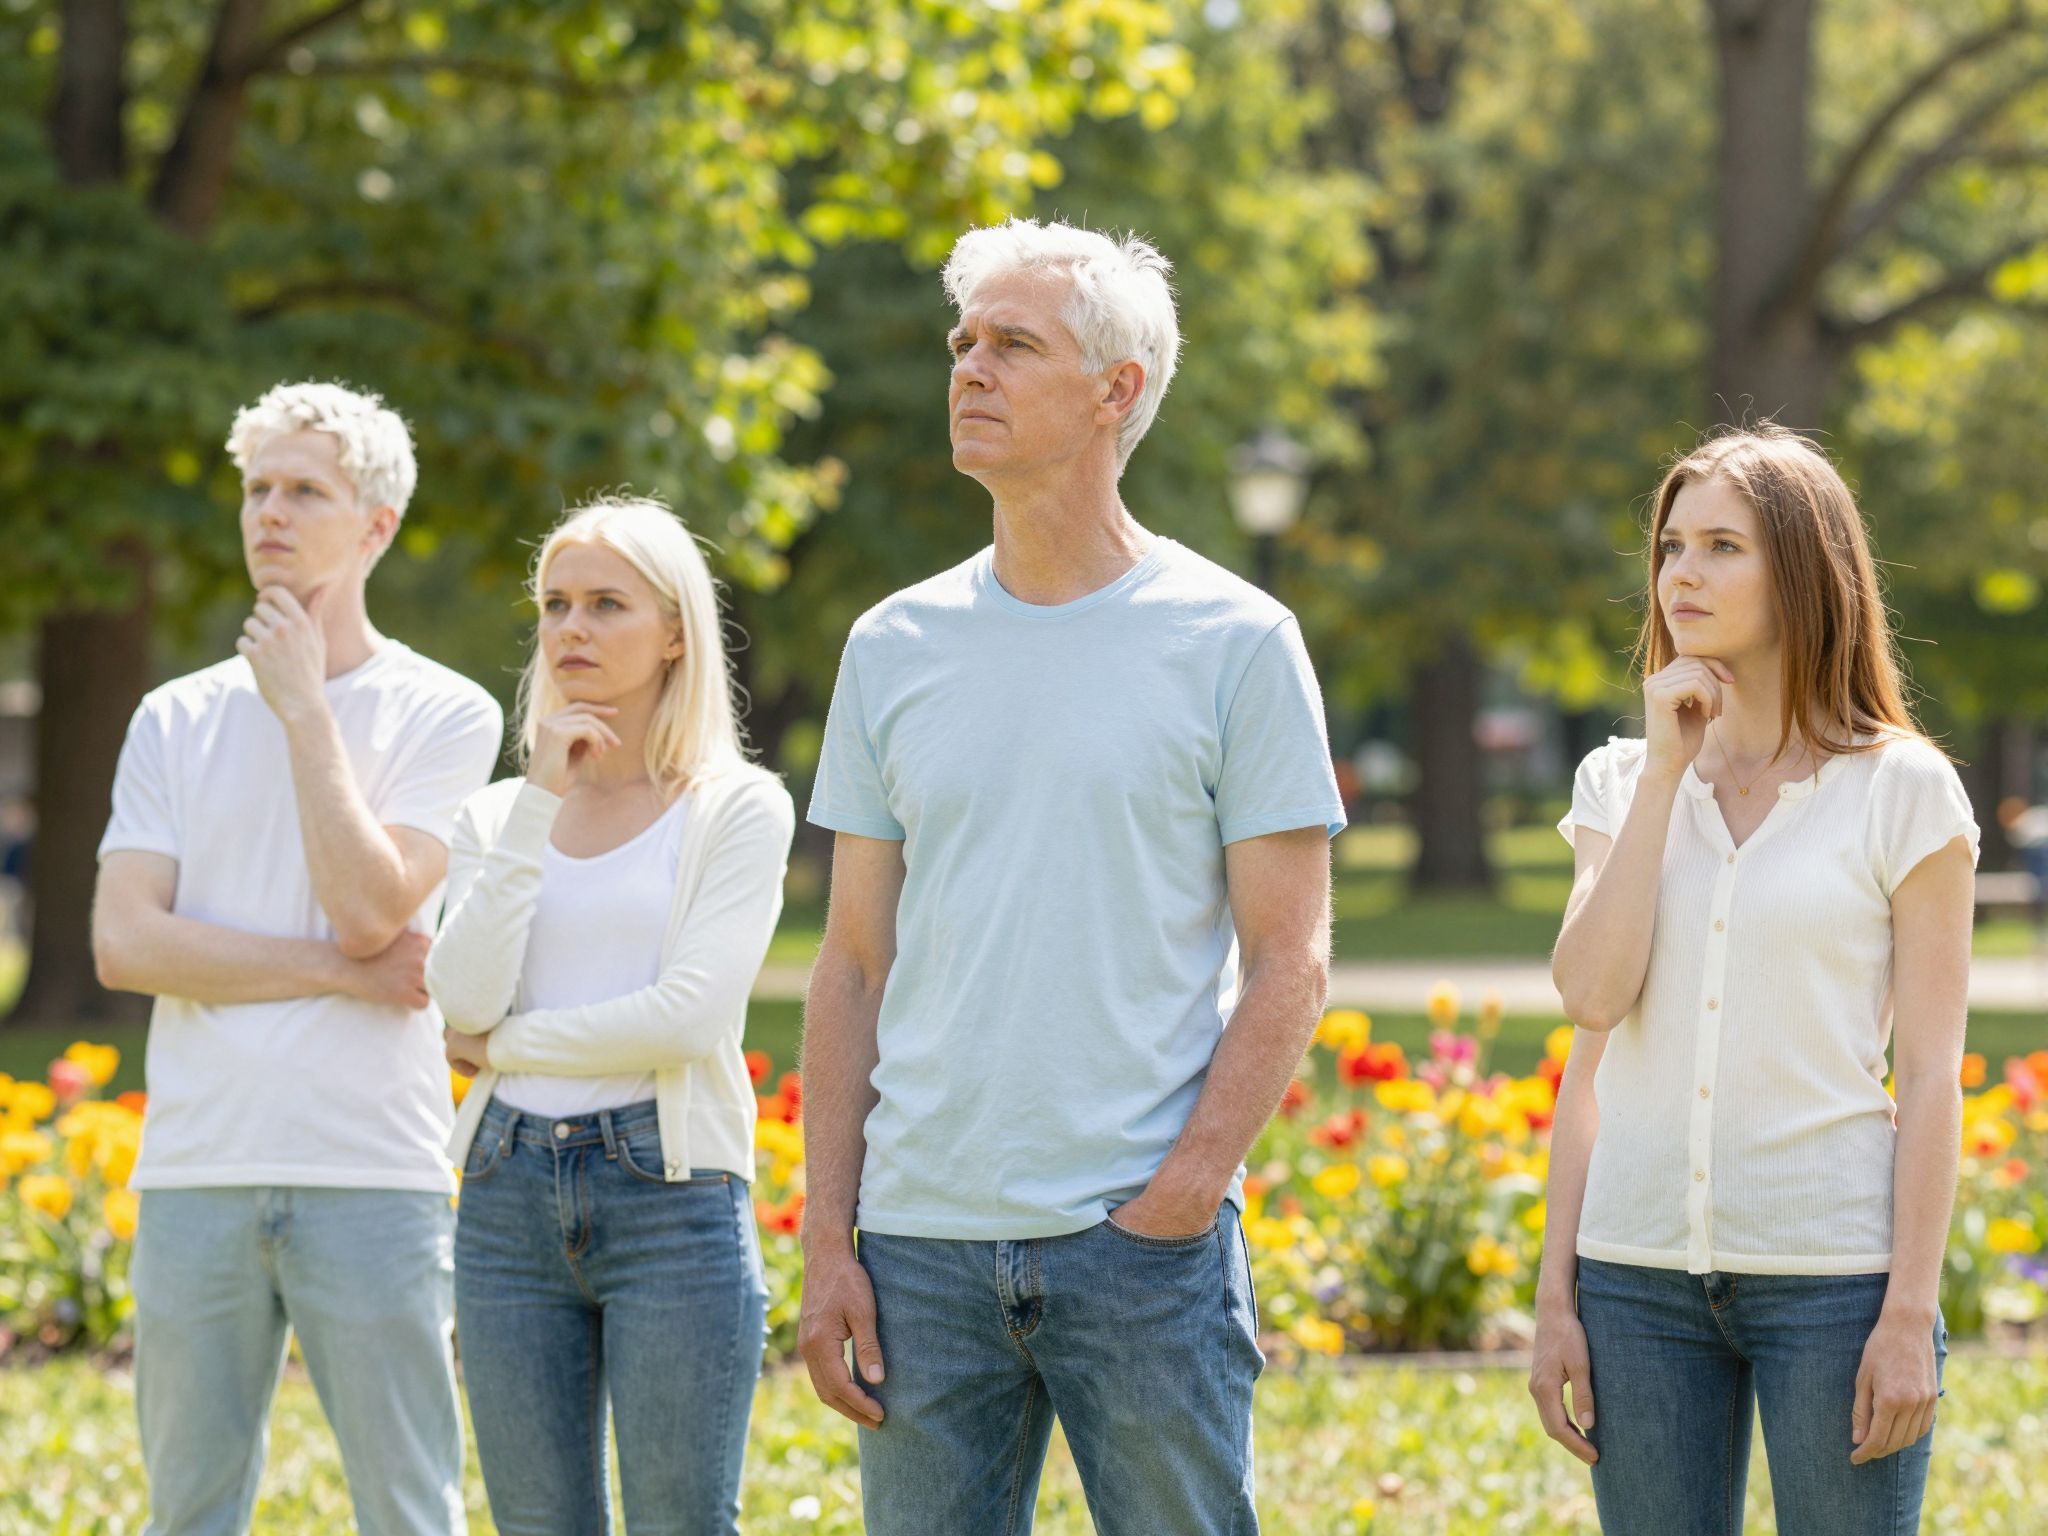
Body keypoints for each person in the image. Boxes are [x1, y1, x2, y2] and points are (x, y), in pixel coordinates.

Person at [797, 218, 1346, 1535]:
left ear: (1117, 391)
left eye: (1012, 345)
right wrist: (830, 1243)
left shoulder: (1238, 641)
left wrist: (1182, 1197)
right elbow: (852, 961)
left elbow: (1293, 958)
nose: (969, 370)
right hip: (920, 1246)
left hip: (1138, 1249)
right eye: (963, 343)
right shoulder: (892, 644)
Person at [1529, 426, 1976, 1535]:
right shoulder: (1619, 779)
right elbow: (1588, 1011)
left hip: (1833, 1281)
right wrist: (1555, 1299)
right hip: (1631, 1280)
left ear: (1802, 569)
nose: (1681, 572)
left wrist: (1906, 1313)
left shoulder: (1902, 793)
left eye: (1721, 546)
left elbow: (1927, 1075)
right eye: (1672, 546)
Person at [92, 382, 503, 1536]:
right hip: (194, 1172)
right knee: (189, 1514)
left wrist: (305, 713)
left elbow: (373, 911)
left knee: (408, 1513)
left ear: (375, 526)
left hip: (372, 1171)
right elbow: (125, 943)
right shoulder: (172, 716)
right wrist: (332, 973)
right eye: (257, 488)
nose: (269, 512)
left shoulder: (444, 711)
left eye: (305, 491)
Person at [430, 496, 792, 1536]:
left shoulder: (736, 808)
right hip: (503, 1190)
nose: (571, 628)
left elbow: (684, 1019)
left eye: (605, 604)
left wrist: (500, 1048)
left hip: (669, 1195)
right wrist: (539, 797)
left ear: (675, 629)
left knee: (683, 1523)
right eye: (553, 605)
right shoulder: (502, 815)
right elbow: (457, 994)